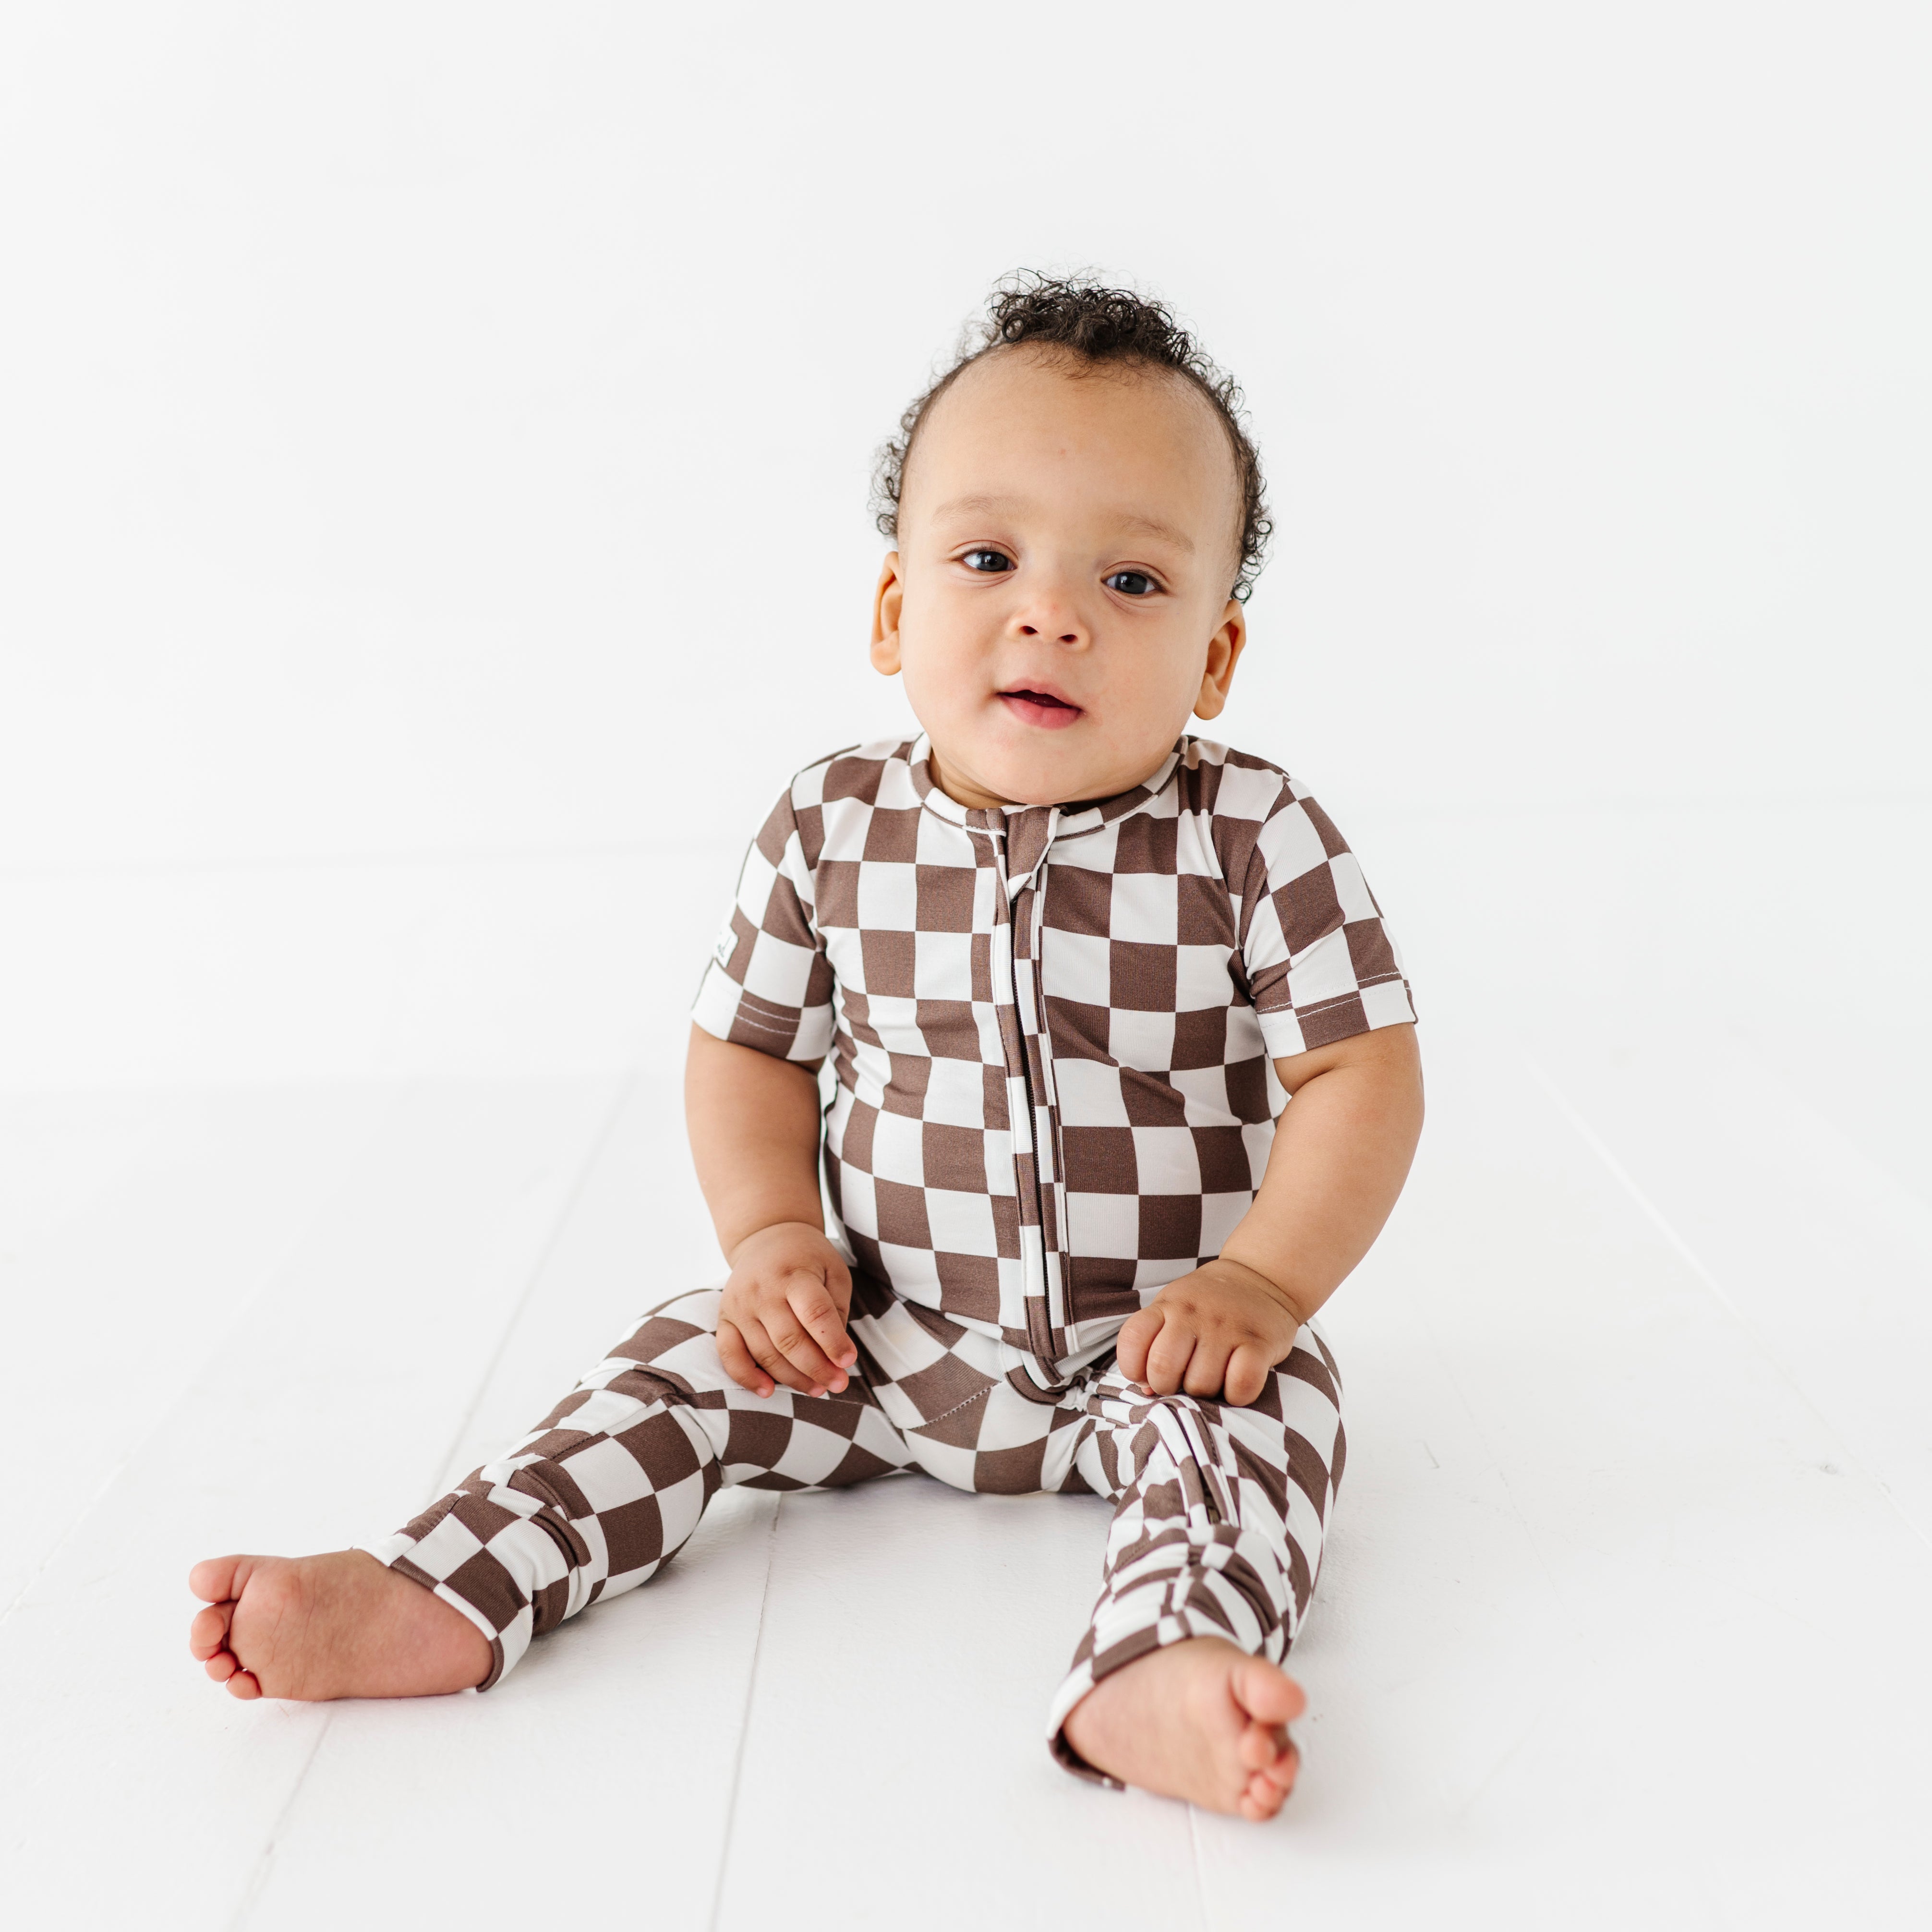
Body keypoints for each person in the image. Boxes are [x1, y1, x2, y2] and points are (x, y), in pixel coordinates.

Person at [187, 276, 1425, 1822]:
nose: (1051, 612)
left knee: (1274, 1426)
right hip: (877, 1341)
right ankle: (445, 1586)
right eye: (989, 558)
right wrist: (776, 1239)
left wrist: (1263, 1285)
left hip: (1155, 1349)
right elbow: (751, 1052)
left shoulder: (1256, 836)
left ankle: (1157, 1663)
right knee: (670, 1371)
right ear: (897, 610)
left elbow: (1358, 1072)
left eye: (1131, 580)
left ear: (1218, 660)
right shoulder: (833, 825)